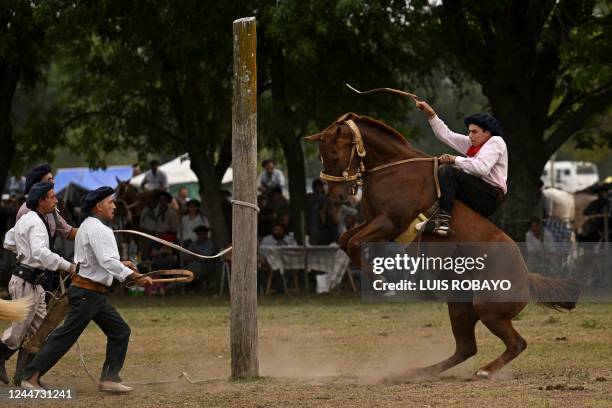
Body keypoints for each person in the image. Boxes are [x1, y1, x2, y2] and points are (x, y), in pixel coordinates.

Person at [21, 186, 153, 393]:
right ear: (99, 206)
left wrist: (123, 264)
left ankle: (109, 379)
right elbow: (107, 261)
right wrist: (134, 276)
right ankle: (30, 377)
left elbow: (97, 260)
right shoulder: (101, 230)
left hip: (91, 293)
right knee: (65, 336)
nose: (114, 206)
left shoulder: (86, 227)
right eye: (111, 202)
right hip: (88, 294)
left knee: (120, 331)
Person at [0, 182, 76, 385]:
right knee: (17, 334)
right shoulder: (35, 222)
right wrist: (68, 266)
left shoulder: (28, 219)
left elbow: (8, 241)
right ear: (41, 201)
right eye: (52, 197)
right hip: (26, 282)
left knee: (42, 330)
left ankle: (25, 376)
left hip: (33, 282)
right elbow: (40, 253)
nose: (56, 200)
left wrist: (22, 251)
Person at [414, 101, 507, 236]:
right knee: (441, 174)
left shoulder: (496, 141)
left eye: (474, 132)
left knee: (447, 171)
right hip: (477, 191)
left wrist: (454, 159)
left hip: (489, 197)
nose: (470, 136)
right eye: (469, 132)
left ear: (487, 132)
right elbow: (446, 135)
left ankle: (442, 222)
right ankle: (438, 216)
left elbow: (481, 168)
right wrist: (431, 115)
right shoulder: (474, 143)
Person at [185, 225, 218, 291]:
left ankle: (168, 289)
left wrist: (194, 255)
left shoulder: (210, 244)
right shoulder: (193, 244)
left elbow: (204, 259)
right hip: (191, 266)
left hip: (205, 267)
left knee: (188, 274)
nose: (201, 236)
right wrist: (196, 255)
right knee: (181, 273)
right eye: (199, 234)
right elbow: (186, 257)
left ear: (206, 234)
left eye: (203, 234)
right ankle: (166, 289)